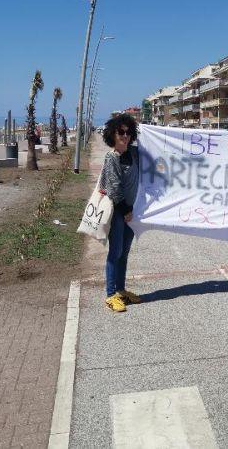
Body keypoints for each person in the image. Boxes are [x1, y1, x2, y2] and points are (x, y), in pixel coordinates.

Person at [98, 113, 141, 313]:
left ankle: (121, 290)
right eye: (121, 132)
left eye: (128, 132)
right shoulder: (111, 158)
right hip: (119, 212)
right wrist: (125, 211)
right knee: (114, 252)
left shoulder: (134, 153)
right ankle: (110, 295)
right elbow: (113, 187)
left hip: (132, 212)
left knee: (124, 252)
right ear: (113, 135)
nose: (125, 136)